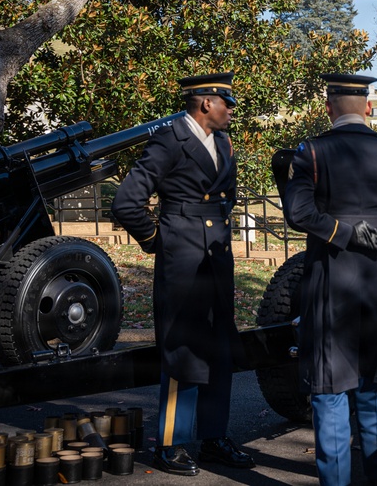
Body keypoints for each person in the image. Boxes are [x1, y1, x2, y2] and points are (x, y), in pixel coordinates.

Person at [112, 72, 255, 477]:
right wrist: (160, 239)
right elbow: (126, 202)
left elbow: (226, 197)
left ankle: (214, 437)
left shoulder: (223, 141)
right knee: (183, 348)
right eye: (226, 101)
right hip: (183, 258)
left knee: (218, 347)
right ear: (204, 103)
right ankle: (171, 443)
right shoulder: (169, 139)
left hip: (217, 257)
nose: (231, 109)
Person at [283, 73, 377, 486]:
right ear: (368, 108)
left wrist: (339, 232)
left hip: (329, 280)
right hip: (376, 280)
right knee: (376, 387)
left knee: (331, 389)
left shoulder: (313, 151)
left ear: (328, 108)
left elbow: (298, 213)